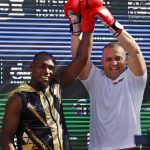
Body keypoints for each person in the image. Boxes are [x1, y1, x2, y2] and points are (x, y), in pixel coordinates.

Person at [64, 0, 148, 149]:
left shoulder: (135, 79)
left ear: (126, 59)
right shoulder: (95, 79)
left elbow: (135, 50)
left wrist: (110, 22)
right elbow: (79, 59)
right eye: (108, 59)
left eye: (118, 58)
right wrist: (77, 26)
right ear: (101, 61)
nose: (114, 63)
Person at [0, 22, 93, 150]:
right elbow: (6, 137)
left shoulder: (56, 86)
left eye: (51, 68)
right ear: (31, 68)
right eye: (42, 66)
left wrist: (88, 26)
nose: (47, 71)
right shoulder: (19, 98)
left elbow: (82, 59)